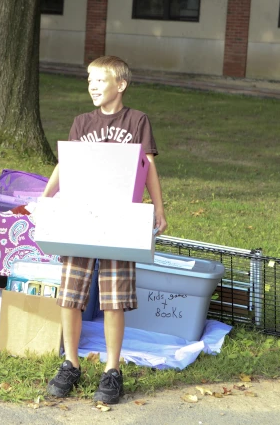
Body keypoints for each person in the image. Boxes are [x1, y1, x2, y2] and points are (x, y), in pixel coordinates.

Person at [41, 55, 167, 404]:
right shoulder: (82, 122)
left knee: (114, 298)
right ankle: (70, 363)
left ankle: (112, 370)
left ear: (120, 85)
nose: (92, 86)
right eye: (89, 80)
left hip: (121, 220)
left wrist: (158, 208)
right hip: (81, 216)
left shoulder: (137, 120)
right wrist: (45, 197)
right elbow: (65, 165)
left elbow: (149, 166)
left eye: (99, 80)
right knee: (71, 293)